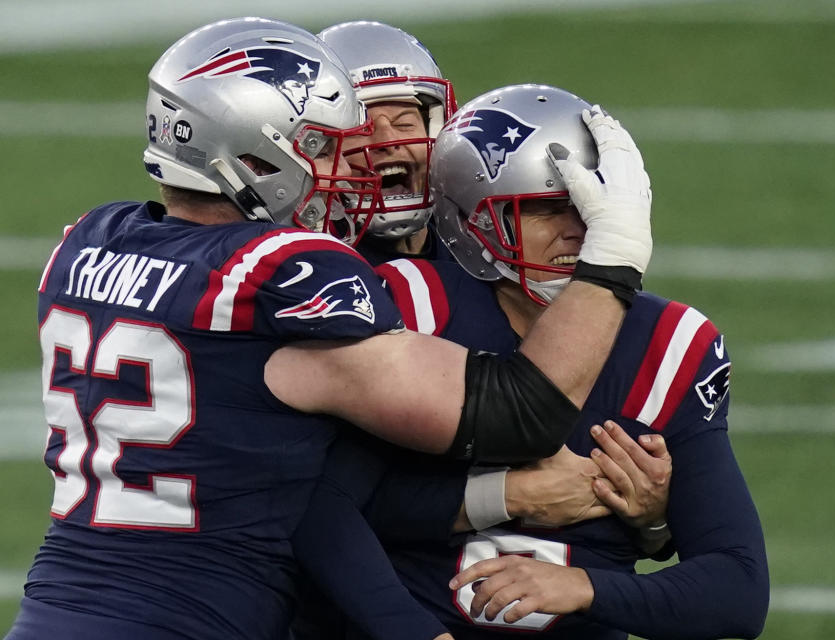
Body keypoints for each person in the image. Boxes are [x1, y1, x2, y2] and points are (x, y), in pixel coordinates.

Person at [6, 16, 656, 640]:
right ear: (252, 156)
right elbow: (520, 412)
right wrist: (614, 255)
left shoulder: (90, 245)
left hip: (56, 610)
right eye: (323, 147)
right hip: (190, 620)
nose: (349, 171)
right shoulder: (283, 272)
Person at [363, 84, 769, 639]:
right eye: (549, 209)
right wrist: (502, 495)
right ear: (474, 223)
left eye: (595, 207)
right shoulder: (407, 306)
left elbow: (738, 591)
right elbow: (321, 508)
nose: (581, 231)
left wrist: (588, 583)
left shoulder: (671, 342)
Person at [318, 20, 457, 263]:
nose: (388, 140)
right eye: (361, 128)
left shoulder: (480, 257)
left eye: (404, 123)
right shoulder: (307, 270)